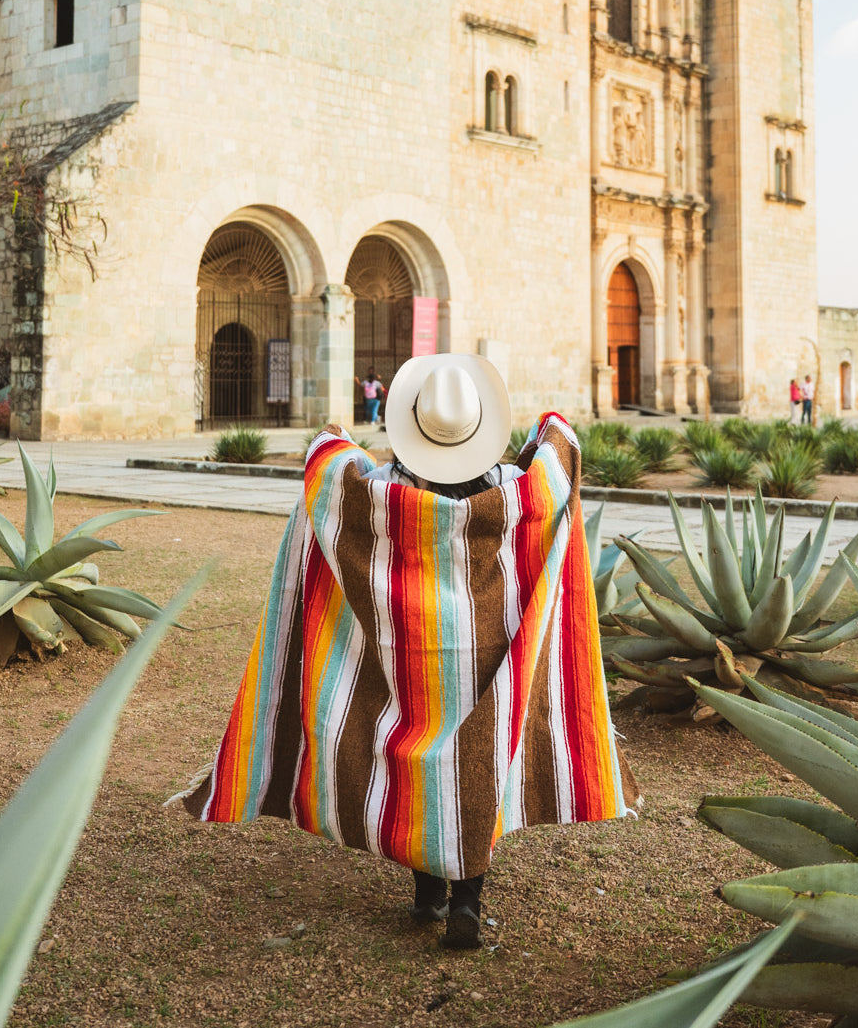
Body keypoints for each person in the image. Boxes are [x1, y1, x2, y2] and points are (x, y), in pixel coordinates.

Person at [181, 354, 638, 951]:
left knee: (416, 760)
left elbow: (329, 471)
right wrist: (549, 424)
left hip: (409, 660)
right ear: (478, 431)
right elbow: (559, 455)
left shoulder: (382, 501)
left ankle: (426, 891)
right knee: (475, 762)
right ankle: (467, 901)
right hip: (484, 660)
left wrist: (333, 441)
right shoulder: (513, 498)